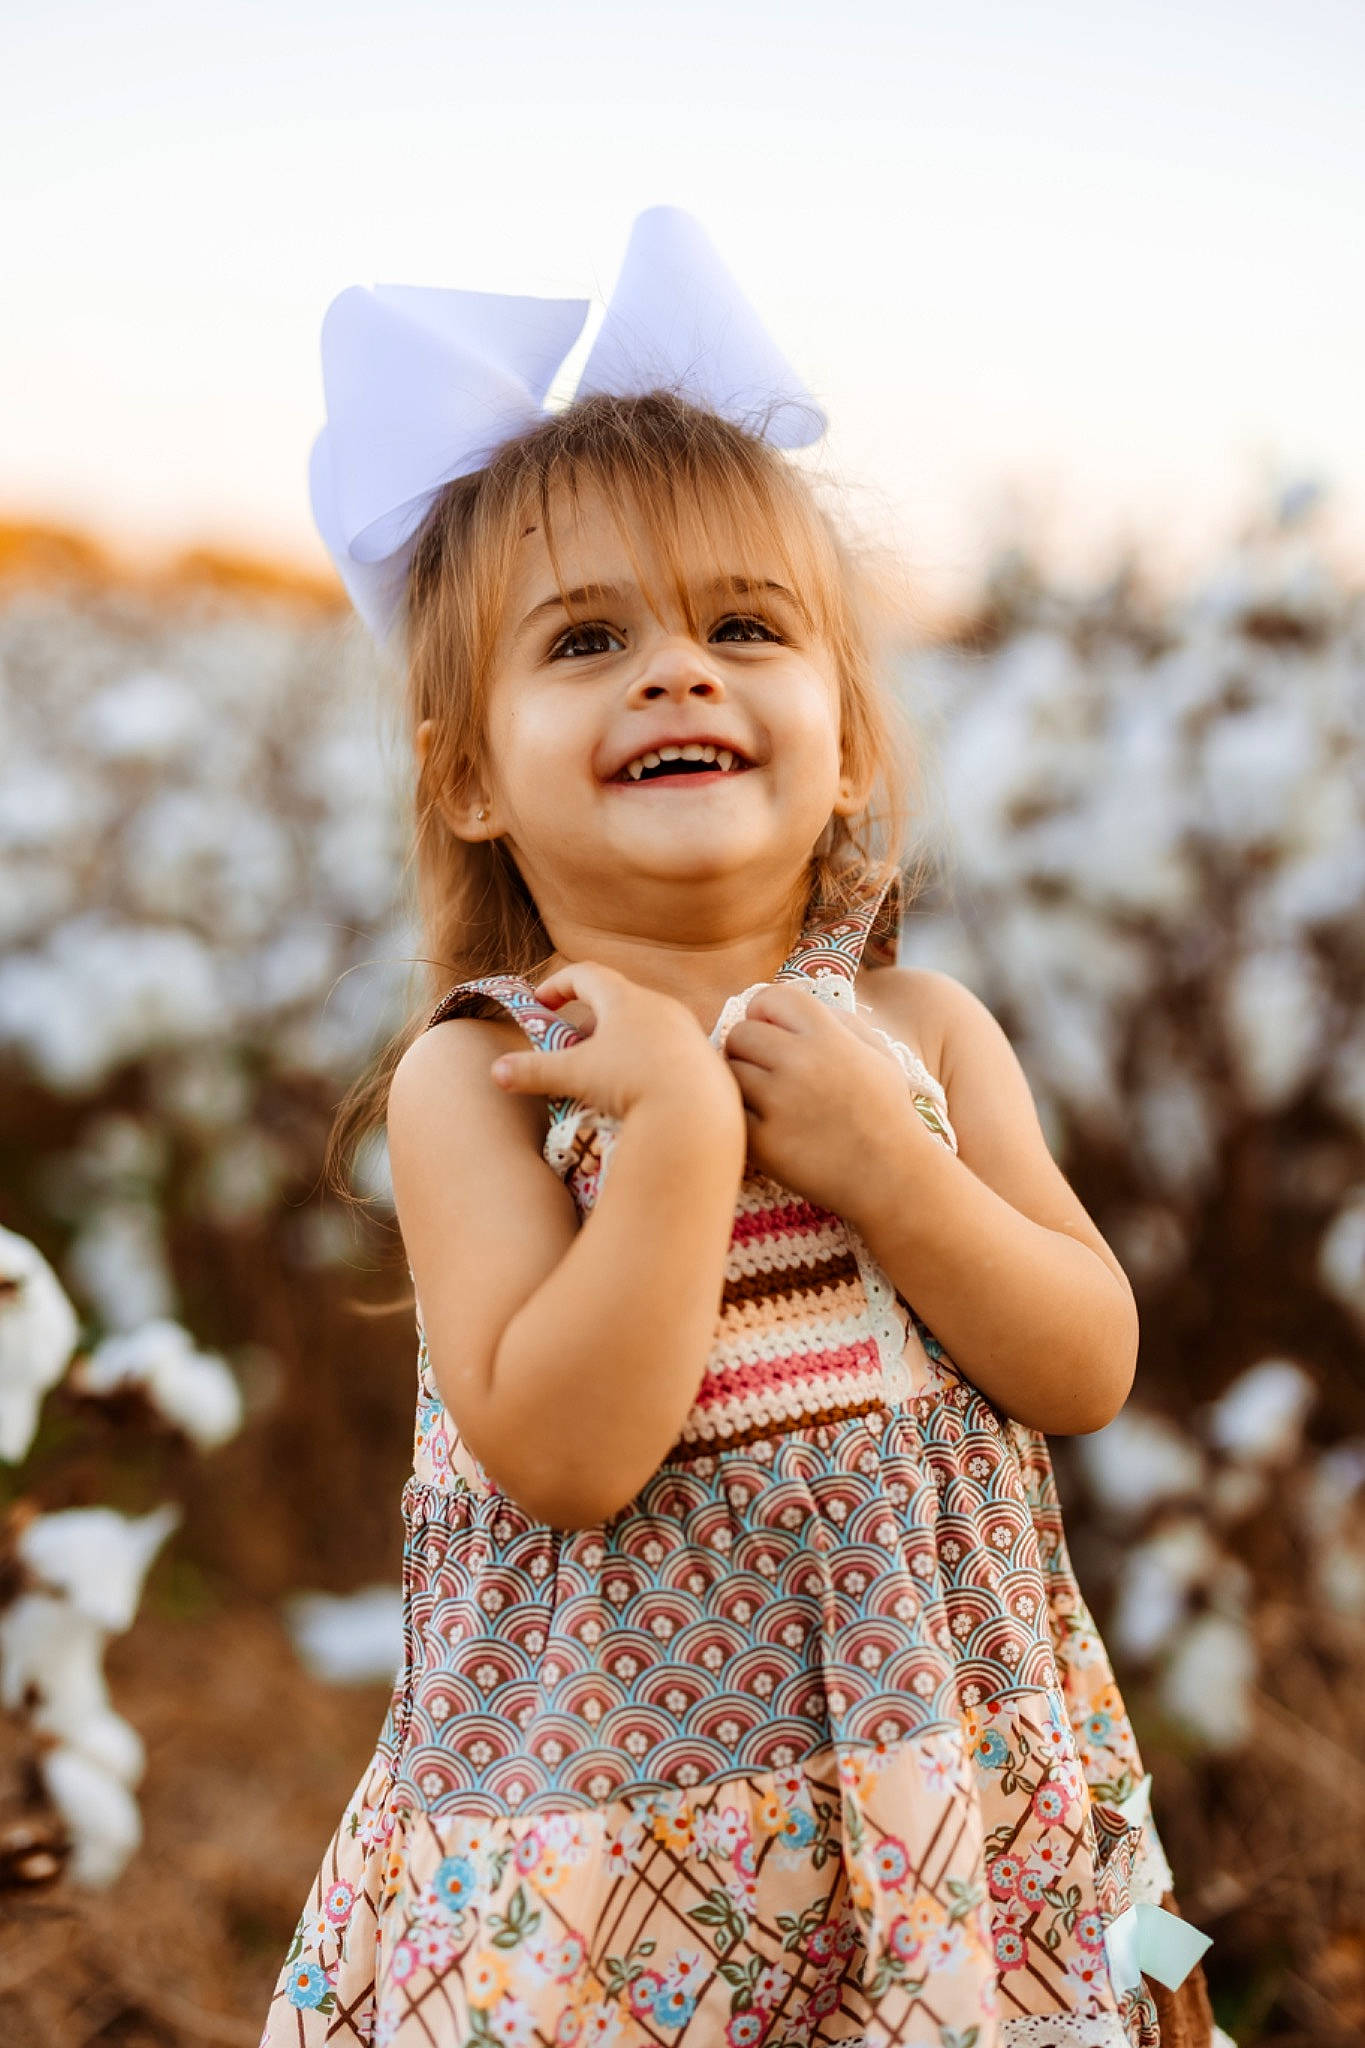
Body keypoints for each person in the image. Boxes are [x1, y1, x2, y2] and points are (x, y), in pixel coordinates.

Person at [260, 210, 1228, 2048]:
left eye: (741, 627)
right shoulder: (489, 1076)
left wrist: (892, 1169)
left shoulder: (922, 1038)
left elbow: (1083, 1361)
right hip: (613, 1876)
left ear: (844, 739)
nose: (676, 672)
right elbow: (562, 1455)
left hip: (941, 1818)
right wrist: (683, 1137)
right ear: (467, 776)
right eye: (586, 639)